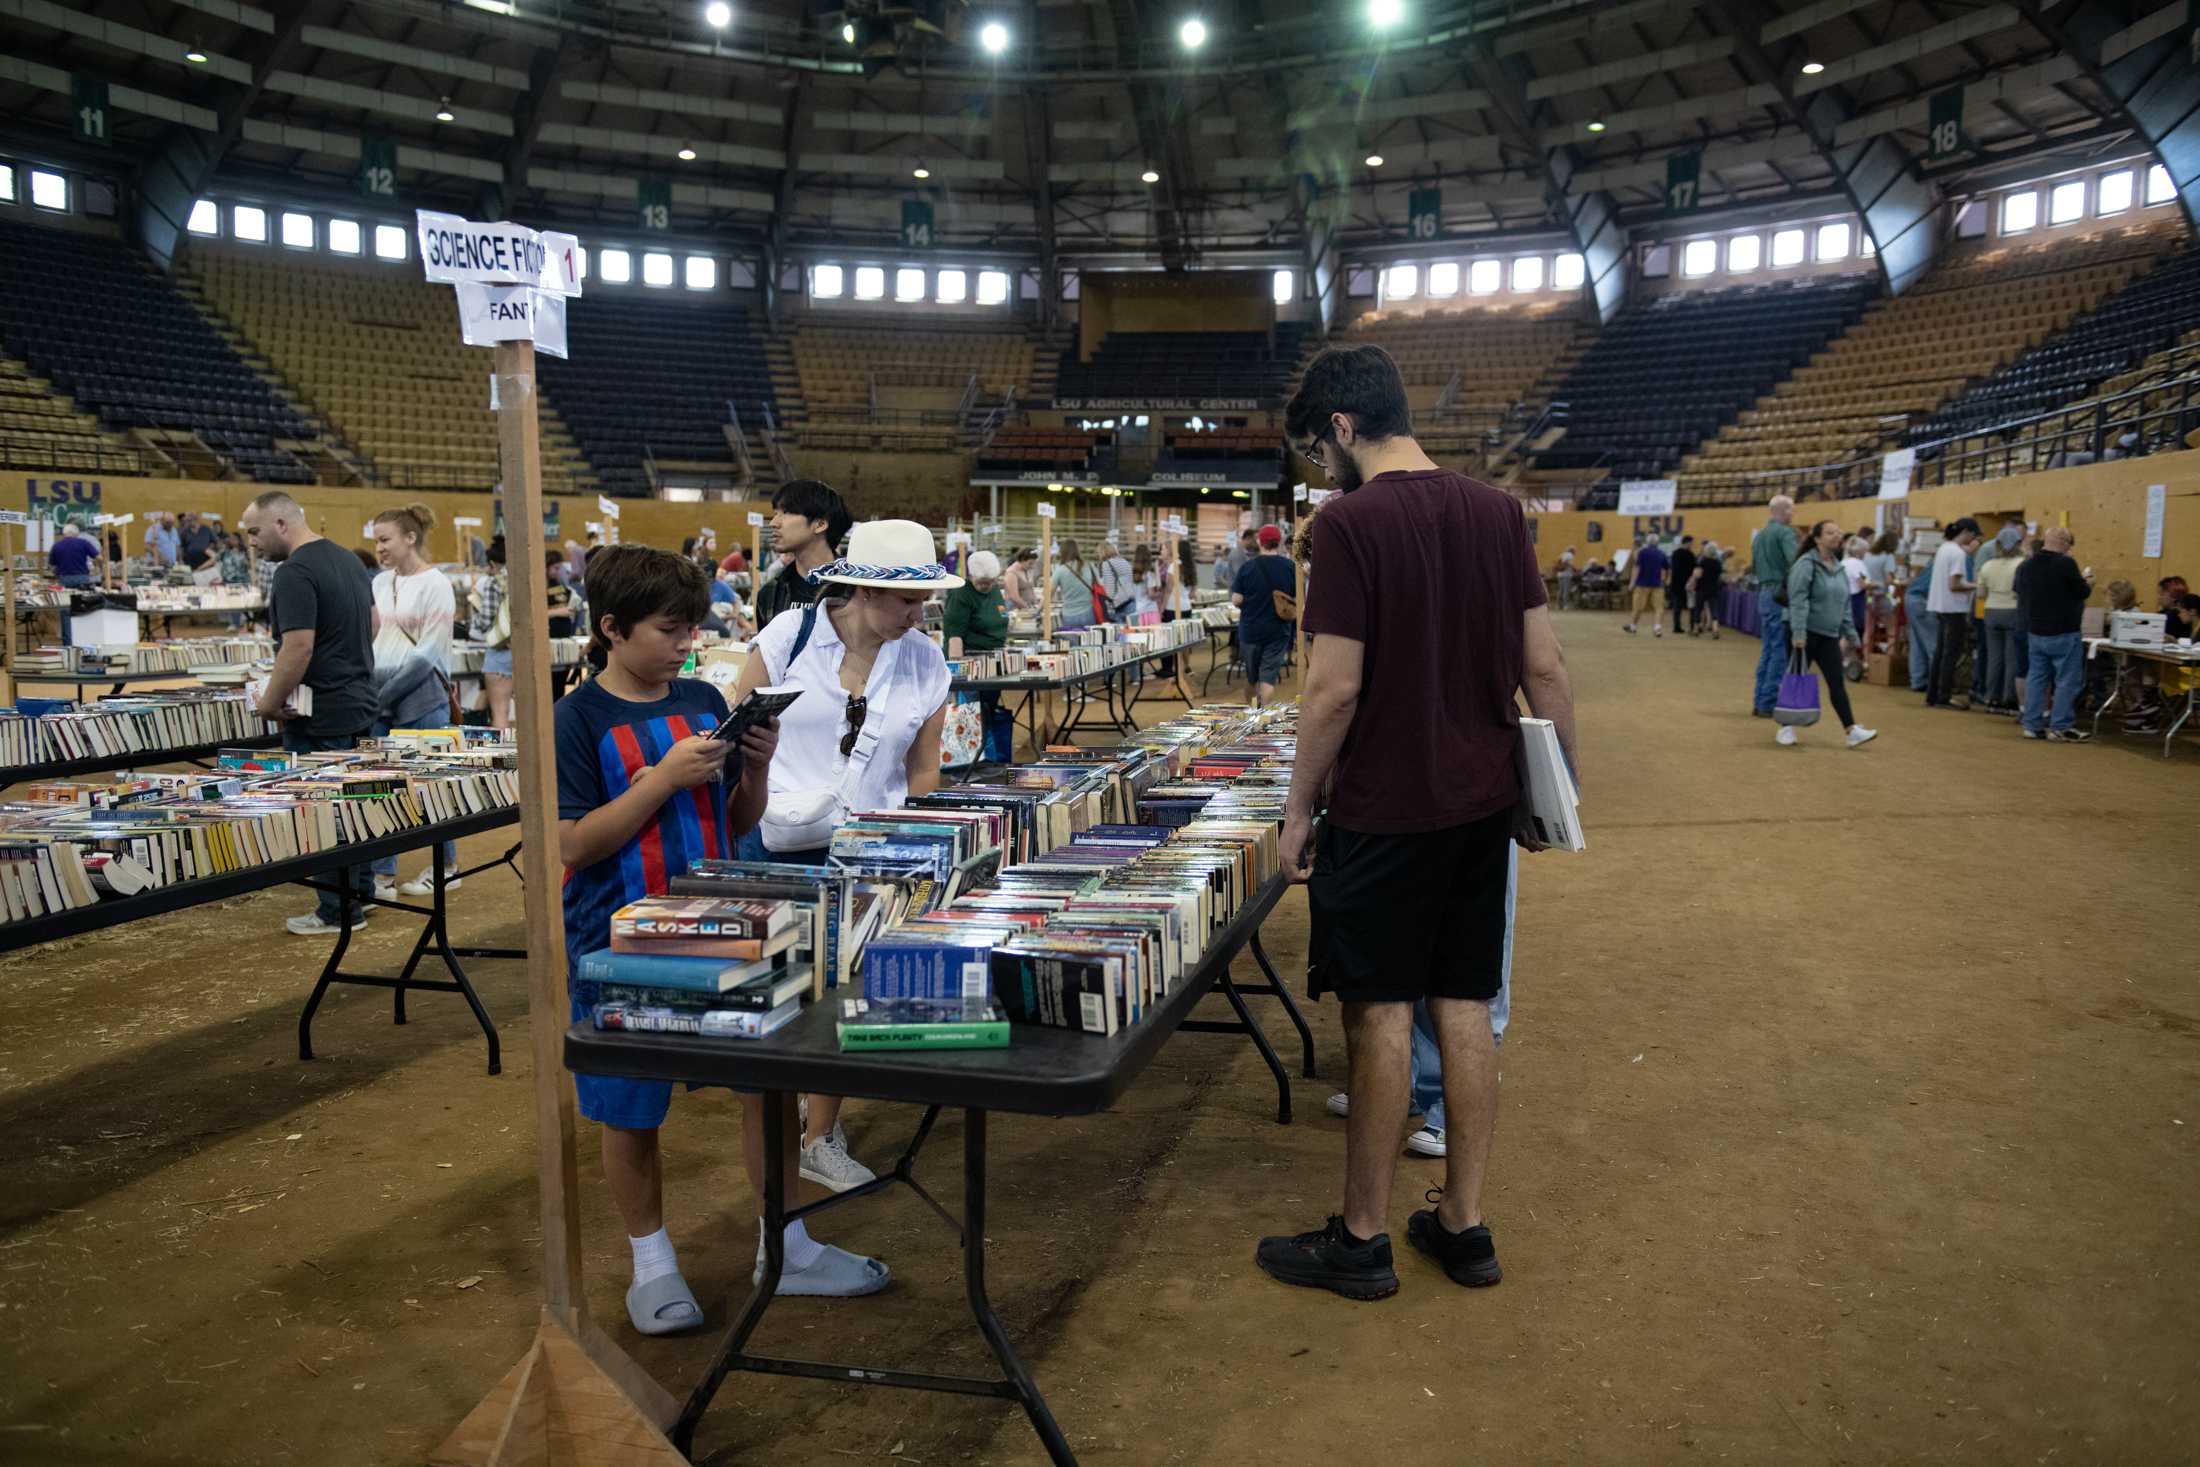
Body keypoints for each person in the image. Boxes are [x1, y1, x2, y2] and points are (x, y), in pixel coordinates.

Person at [1265, 342, 1576, 1301]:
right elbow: (1548, 666)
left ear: (1344, 429)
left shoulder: (1348, 525)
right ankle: (1463, 1224)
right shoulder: (1498, 513)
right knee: (1467, 1004)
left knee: (1381, 1014)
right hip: (1482, 804)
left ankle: (1361, 1239)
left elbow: (1333, 689)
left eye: (1321, 450)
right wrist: (1553, 791)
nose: (1323, 469)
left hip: (1384, 810)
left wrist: (1295, 807)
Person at [556, 546, 830, 1332]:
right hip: (620, 936)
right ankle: (652, 1263)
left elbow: (736, 823)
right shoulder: (577, 720)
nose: (685, 644)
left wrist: (758, 770)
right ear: (611, 627)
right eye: (669, 630)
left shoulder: (707, 696)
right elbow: (573, 846)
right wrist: (660, 780)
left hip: (728, 917)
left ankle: (788, 1241)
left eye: (693, 628)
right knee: (630, 1106)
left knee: (765, 1086)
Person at [729, 520, 955, 1206]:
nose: (919, 616)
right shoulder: (785, 639)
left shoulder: (924, 661)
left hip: (872, 848)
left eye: (924, 603)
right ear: (861, 589)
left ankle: (821, 1132)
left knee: (847, 992)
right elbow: (735, 730)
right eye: (907, 602)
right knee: (783, 993)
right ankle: (784, 1128)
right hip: (772, 844)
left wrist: (922, 849)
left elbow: (924, 771)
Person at [242, 491, 377, 937]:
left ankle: (339, 911)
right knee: (358, 804)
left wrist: (268, 702)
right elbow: (374, 624)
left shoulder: (294, 571)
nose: (252, 543)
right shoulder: (348, 559)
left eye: (255, 532)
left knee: (322, 812)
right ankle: (361, 896)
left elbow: (297, 646)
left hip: (318, 715)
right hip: (357, 702)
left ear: (281, 524)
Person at [367, 503, 459, 900]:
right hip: (381, 697)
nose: (379, 548)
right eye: (376, 541)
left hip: (421, 698)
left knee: (431, 788)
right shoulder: (378, 583)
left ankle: (448, 868)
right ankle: (383, 876)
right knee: (382, 789)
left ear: (410, 538)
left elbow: (427, 654)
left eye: (385, 539)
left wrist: (380, 696)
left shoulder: (436, 583)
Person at [1780, 520, 1878, 750]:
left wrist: (1852, 635)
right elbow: (1798, 600)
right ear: (1817, 539)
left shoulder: (1839, 567)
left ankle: (1851, 730)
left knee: (1837, 683)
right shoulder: (1805, 564)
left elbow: (1842, 605)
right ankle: (1785, 728)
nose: (1837, 536)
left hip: (1829, 634)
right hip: (1804, 632)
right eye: (1830, 532)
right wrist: (1799, 632)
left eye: (1838, 532)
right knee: (1796, 680)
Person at [2015, 527, 2093, 742]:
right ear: (2063, 542)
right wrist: (2088, 582)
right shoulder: (2066, 563)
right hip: (2064, 630)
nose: (2070, 547)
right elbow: (2082, 592)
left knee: (2036, 678)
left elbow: (2019, 591)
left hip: (2036, 630)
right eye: (2069, 543)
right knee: (2067, 680)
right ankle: (2061, 726)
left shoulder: (2028, 564)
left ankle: (2031, 725)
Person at [753, 480, 853, 628]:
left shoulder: (856, 590)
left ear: (820, 524)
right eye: (775, 513)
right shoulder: (770, 594)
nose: (773, 523)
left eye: (786, 513)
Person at [1230, 525, 1298, 706]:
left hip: (1251, 629)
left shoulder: (1247, 568)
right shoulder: (1290, 567)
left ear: (1260, 542)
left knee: (1252, 679)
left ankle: (1251, 717)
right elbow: (1298, 597)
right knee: (1268, 678)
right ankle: (1264, 717)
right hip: (1278, 629)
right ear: (1279, 542)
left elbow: (1236, 600)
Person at [1750, 496, 1799, 715]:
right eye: (1792, 510)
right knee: (1779, 648)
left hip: (1765, 592)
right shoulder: (1786, 533)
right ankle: (1768, 701)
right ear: (1786, 511)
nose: (1793, 514)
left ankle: (1760, 698)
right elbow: (1795, 562)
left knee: (1769, 648)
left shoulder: (1759, 536)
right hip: (1781, 594)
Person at [1926, 519, 1981, 709]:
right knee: (1950, 654)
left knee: (1940, 653)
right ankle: (1943, 696)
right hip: (1954, 609)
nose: (1974, 539)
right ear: (1966, 532)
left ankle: (1933, 695)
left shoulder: (1944, 548)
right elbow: (1955, 585)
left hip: (1940, 606)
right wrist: (1977, 585)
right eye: (1973, 535)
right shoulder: (1957, 553)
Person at [1977, 536, 2027, 713]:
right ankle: (2009, 699)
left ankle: (1991, 698)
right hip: (2013, 611)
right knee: (2012, 658)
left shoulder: (1987, 565)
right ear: (2019, 544)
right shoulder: (2021, 564)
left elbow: (1981, 594)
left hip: (1991, 611)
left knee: (1994, 657)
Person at [471, 537, 515, 732]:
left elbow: (486, 619)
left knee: (500, 715)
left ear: (492, 563)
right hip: (526, 652)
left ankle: (508, 760)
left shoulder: (493, 582)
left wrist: (476, 615)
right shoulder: (525, 577)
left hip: (501, 652)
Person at [1904, 551, 1937, 693]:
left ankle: (1918, 681)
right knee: (1932, 643)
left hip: (1911, 598)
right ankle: (1936, 685)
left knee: (1917, 642)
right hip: (1923, 601)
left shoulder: (1932, 563)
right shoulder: (1953, 560)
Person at [1050, 537, 1102, 628]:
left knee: (1071, 641)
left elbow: (1049, 593)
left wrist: (1038, 610)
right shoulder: (1090, 566)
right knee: (1091, 641)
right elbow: (1100, 585)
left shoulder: (1060, 570)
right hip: (1088, 612)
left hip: (1069, 614)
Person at [1624, 534, 1668, 636]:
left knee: (1638, 607)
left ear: (1647, 542)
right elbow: (1666, 569)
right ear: (1657, 542)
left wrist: (1632, 583)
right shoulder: (1662, 553)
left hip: (1642, 584)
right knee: (1659, 608)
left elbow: (1637, 568)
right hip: (1657, 584)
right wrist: (1664, 581)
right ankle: (1657, 627)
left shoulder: (1641, 553)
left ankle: (1633, 627)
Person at [48, 520, 99, 588]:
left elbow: (52, 565)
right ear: (76, 533)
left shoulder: (56, 545)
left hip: (64, 578)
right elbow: (99, 557)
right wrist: (96, 568)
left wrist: (57, 574)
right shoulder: (84, 543)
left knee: (65, 597)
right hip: (81, 577)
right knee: (81, 597)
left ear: (64, 533)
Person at [1688, 540, 1723, 639]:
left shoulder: (1702, 562)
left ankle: (1695, 629)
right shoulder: (1718, 563)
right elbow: (1720, 577)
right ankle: (1715, 629)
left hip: (1701, 588)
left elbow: (1697, 575)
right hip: (1713, 589)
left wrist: (1692, 583)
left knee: (1698, 609)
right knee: (1714, 609)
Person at [1839, 536, 1869, 650]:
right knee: (1852, 632)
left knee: (1846, 631)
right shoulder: (1858, 564)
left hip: (1843, 598)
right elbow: (1864, 583)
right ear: (1859, 551)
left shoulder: (1843, 562)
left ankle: (1846, 660)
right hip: (1855, 600)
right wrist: (1877, 584)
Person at [1096, 540, 1135, 622]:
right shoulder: (1125, 562)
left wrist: (1110, 603)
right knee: (1131, 633)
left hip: (1119, 606)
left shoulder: (1106, 564)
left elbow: (1110, 590)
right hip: (1131, 603)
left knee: (1119, 634)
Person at [1666, 535, 1696, 636]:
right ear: (1687, 542)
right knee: (1691, 606)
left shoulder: (1675, 553)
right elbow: (1694, 570)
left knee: (1677, 607)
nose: (1692, 545)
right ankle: (1692, 627)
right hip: (1688, 584)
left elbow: (1673, 569)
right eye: (1691, 543)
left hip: (1676, 583)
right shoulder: (1691, 555)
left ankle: (1677, 626)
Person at [1001, 547, 1038, 611]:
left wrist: (1036, 603)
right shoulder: (1011, 572)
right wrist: (1028, 608)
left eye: (1034, 563)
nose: (1032, 566)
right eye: (1030, 563)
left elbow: (1030, 588)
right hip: (1014, 609)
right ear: (1022, 560)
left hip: (1027, 607)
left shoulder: (1027, 570)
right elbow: (1014, 596)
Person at [1554, 546, 1577, 610]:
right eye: (1574, 551)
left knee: (1560, 590)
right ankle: (1565, 605)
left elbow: (1558, 562)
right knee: (1566, 590)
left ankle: (1558, 605)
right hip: (1566, 575)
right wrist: (1574, 569)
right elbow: (1567, 563)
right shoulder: (1570, 555)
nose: (1575, 552)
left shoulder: (1562, 554)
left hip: (1560, 574)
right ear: (1572, 551)